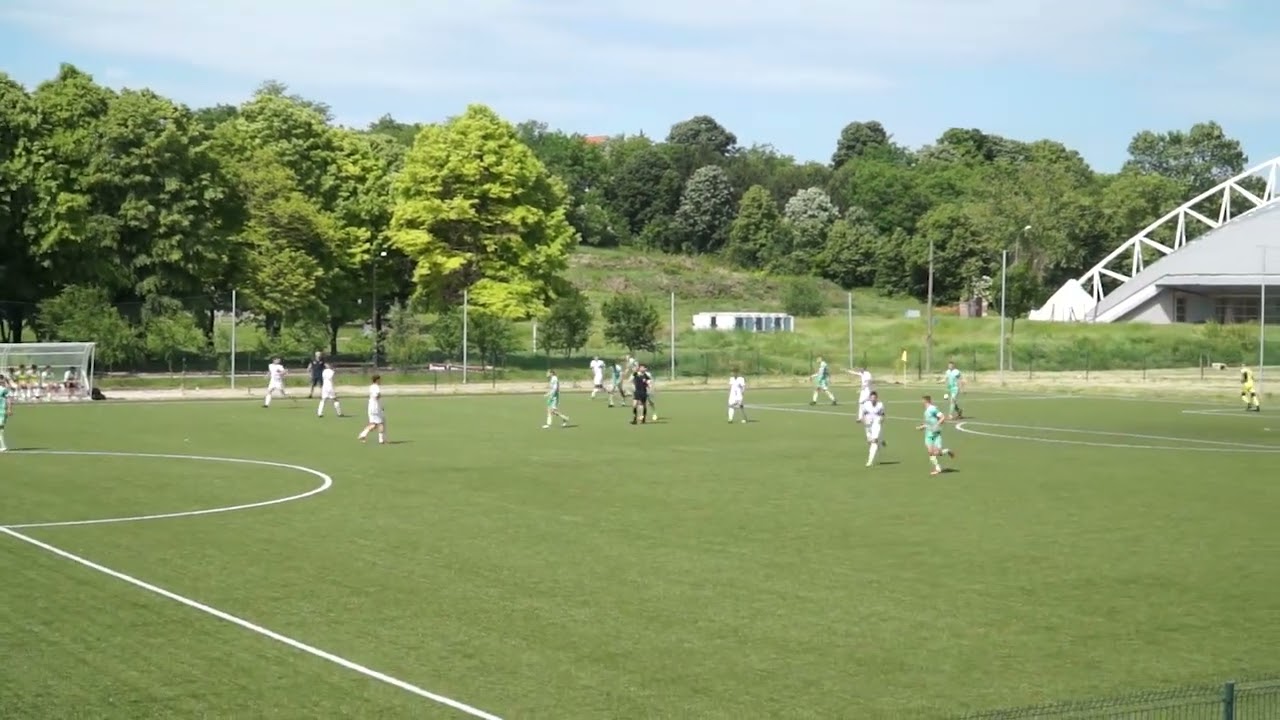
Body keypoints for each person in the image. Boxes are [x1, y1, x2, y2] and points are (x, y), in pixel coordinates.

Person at [915, 395, 955, 476]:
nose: (922, 403)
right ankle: (938, 468)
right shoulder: (926, 411)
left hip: (936, 434)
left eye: (923, 401)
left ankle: (947, 451)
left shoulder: (933, 409)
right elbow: (928, 423)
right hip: (928, 434)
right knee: (930, 452)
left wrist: (937, 424)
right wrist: (922, 427)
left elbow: (942, 417)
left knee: (936, 452)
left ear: (926, 401)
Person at [858, 390, 887, 467]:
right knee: (870, 442)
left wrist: (882, 418)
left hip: (876, 424)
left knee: (874, 442)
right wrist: (863, 420)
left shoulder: (880, 405)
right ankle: (881, 440)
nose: (873, 399)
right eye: (872, 398)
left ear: (877, 398)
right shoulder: (866, 404)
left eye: (875, 398)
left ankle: (870, 461)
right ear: (870, 398)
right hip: (868, 425)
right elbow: (863, 414)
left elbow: (883, 414)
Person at [358, 375, 386, 444]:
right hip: (376, 408)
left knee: (373, 424)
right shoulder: (376, 387)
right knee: (381, 423)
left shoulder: (371, 386)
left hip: (370, 407)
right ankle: (381, 440)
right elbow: (376, 396)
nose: (381, 381)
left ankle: (363, 434)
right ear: (377, 380)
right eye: (380, 380)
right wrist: (380, 405)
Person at [0, 375, 11, 452]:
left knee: (1, 429)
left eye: (2, 379)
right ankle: (3, 446)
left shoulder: (4, 390)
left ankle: (3, 446)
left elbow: (9, 399)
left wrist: (9, 409)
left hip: (2, 411)